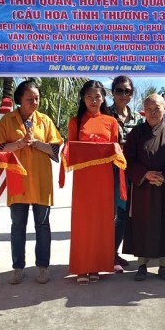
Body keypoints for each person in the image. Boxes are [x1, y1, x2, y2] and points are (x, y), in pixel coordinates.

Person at [0, 80, 63, 285]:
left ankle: (43, 267)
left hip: (41, 181)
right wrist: (20, 144)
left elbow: (55, 150)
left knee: (42, 225)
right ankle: (18, 268)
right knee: (18, 226)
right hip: (18, 181)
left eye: (37, 98)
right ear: (19, 100)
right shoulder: (7, 121)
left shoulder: (45, 120)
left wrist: (36, 144)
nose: (34, 102)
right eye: (29, 99)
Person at [123, 94, 165, 282]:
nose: (153, 113)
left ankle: (163, 266)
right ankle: (142, 265)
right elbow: (128, 160)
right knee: (142, 224)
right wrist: (145, 175)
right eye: (148, 109)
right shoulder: (136, 134)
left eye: (157, 108)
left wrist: (164, 178)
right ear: (143, 111)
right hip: (143, 189)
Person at [67, 80, 120, 284]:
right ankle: (82, 267)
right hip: (83, 178)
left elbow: (115, 149)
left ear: (103, 98)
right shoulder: (75, 121)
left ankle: (97, 265)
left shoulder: (111, 121)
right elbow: (70, 150)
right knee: (83, 222)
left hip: (104, 178)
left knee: (101, 221)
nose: (93, 100)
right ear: (83, 98)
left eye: (97, 96)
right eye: (89, 96)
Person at [109, 75, 139, 272]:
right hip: (106, 170)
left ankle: (112, 252)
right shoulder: (104, 113)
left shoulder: (138, 117)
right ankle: (100, 252)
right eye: (119, 90)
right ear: (112, 93)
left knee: (122, 214)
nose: (123, 94)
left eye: (127, 91)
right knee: (105, 213)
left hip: (128, 172)